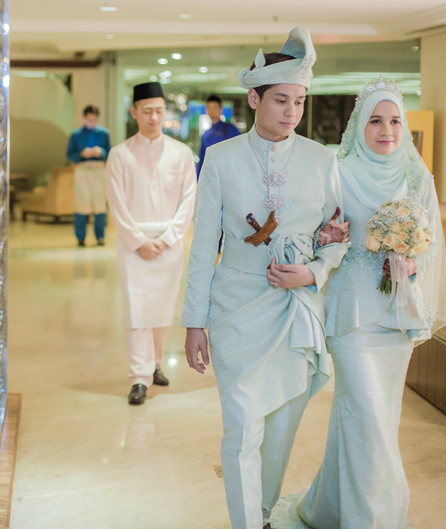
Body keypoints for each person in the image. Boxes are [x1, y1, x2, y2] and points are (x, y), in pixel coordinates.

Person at [181, 27, 350, 529]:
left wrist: (314, 271)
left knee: (280, 429)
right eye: (281, 100)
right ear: (254, 98)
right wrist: (194, 321)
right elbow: (203, 246)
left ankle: (261, 512)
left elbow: (339, 234)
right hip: (235, 306)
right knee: (241, 428)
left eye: (299, 101)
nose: (292, 111)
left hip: (296, 312)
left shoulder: (322, 159)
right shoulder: (221, 159)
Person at [269, 77, 446, 529]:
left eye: (394, 121)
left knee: (374, 420)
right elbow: (317, 230)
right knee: (367, 416)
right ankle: (374, 519)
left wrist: (412, 261)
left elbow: (430, 242)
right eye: (375, 121)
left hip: (396, 316)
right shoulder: (338, 172)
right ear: (359, 125)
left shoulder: (416, 176)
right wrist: (325, 239)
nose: (386, 130)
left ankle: (331, 507)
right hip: (351, 315)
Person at [105, 82, 197, 405]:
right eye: (147, 111)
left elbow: (188, 200)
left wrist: (169, 238)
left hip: (169, 245)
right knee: (137, 311)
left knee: (161, 309)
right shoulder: (119, 154)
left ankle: (155, 363)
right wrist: (140, 241)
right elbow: (116, 204)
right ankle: (139, 377)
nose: (154, 117)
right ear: (134, 112)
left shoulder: (181, 153)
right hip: (134, 245)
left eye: (159, 110)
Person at [67, 105, 112, 246]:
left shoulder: (103, 133)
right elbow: (69, 154)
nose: (91, 122)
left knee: (100, 205)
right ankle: (80, 237)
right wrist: (81, 154)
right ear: (84, 118)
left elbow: (109, 152)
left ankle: (100, 237)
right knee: (81, 205)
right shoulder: (76, 134)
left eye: (94, 119)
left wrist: (101, 152)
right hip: (82, 170)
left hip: (98, 170)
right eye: (89, 119)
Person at [196, 94, 241, 177]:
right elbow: (201, 160)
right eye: (209, 108)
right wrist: (198, 179)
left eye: (215, 107)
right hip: (210, 176)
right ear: (206, 110)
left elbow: (239, 153)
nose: (212, 110)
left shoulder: (230, 129)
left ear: (221, 110)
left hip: (228, 175)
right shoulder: (206, 134)